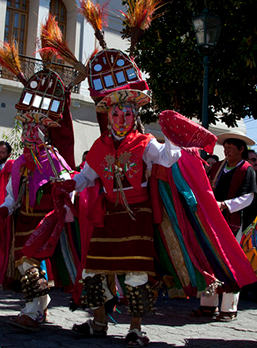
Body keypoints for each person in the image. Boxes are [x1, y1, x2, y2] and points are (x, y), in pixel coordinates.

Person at [66, 90, 182, 346]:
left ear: (135, 117)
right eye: (116, 114)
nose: (121, 119)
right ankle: (98, 323)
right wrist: (69, 184)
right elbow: (87, 176)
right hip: (107, 215)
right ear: (109, 117)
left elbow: (167, 158)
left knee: (136, 273)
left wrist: (173, 136)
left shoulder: (144, 142)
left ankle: (136, 329)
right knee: (93, 271)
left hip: (137, 214)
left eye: (127, 114)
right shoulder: (100, 146)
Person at [0, 111, 73, 332]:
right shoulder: (19, 163)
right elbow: (12, 194)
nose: (30, 132)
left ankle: (32, 311)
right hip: (24, 220)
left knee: (30, 264)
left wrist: (64, 196)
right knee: (25, 264)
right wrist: (4, 209)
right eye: (26, 128)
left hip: (46, 220)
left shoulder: (53, 158)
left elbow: (68, 183)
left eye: (35, 129)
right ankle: (40, 306)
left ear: (44, 134)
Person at [194, 133, 257, 320]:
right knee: (210, 260)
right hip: (212, 220)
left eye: (231, 148)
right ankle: (208, 305)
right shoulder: (217, 167)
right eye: (225, 147)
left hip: (233, 223)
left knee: (230, 263)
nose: (227, 151)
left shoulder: (247, 170)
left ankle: (228, 307)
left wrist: (225, 205)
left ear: (241, 150)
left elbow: (248, 198)